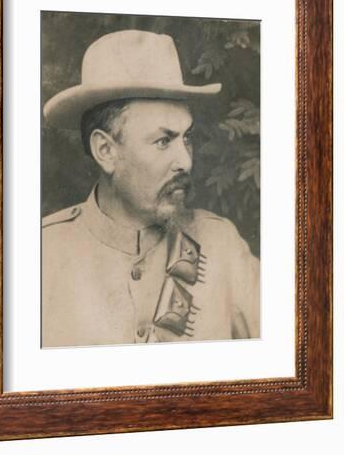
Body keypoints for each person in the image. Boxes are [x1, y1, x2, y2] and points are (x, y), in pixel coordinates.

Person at [41, 29, 260, 348]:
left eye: (187, 138)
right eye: (163, 140)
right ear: (105, 150)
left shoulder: (222, 246)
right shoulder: (40, 257)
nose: (185, 160)